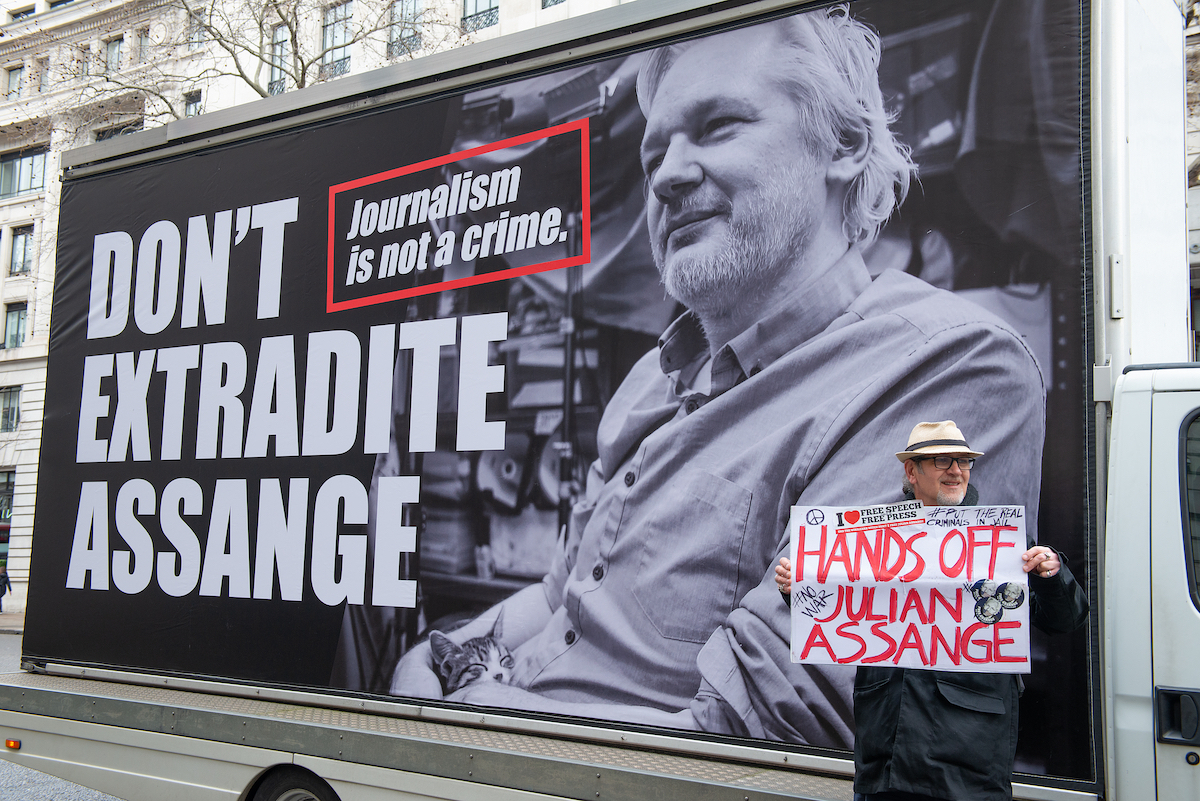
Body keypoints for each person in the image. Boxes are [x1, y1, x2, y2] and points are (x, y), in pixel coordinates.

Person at [390, 6, 1047, 747]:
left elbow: (797, 743)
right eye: (653, 156)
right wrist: (432, 658)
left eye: (718, 126)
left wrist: (470, 714)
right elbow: (562, 596)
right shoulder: (653, 377)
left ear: (843, 143)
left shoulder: (950, 369)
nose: (667, 175)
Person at [776, 421, 1089, 800]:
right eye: (942, 460)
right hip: (885, 759)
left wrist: (1052, 576)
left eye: (963, 461)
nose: (956, 470)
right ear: (912, 471)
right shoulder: (871, 540)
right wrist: (801, 588)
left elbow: (1064, 619)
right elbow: (843, 609)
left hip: (967, 766)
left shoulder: (1001, 543)